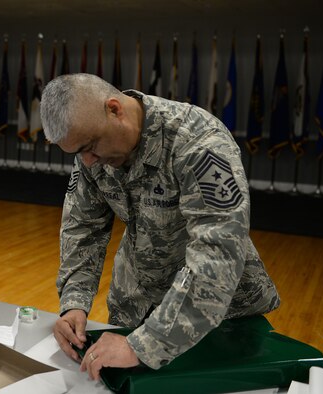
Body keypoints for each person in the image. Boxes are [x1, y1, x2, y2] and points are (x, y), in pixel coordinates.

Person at [40, 73, 280, 380]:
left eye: (89, 146)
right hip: (137, 308)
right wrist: (74, 303)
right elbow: (82, 228)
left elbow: (217, 255)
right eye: (77, 153)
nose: (87, 162)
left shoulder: (198, 141)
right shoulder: (94, 150)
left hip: (217, 319)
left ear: (115, 110)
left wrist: (145, 345)